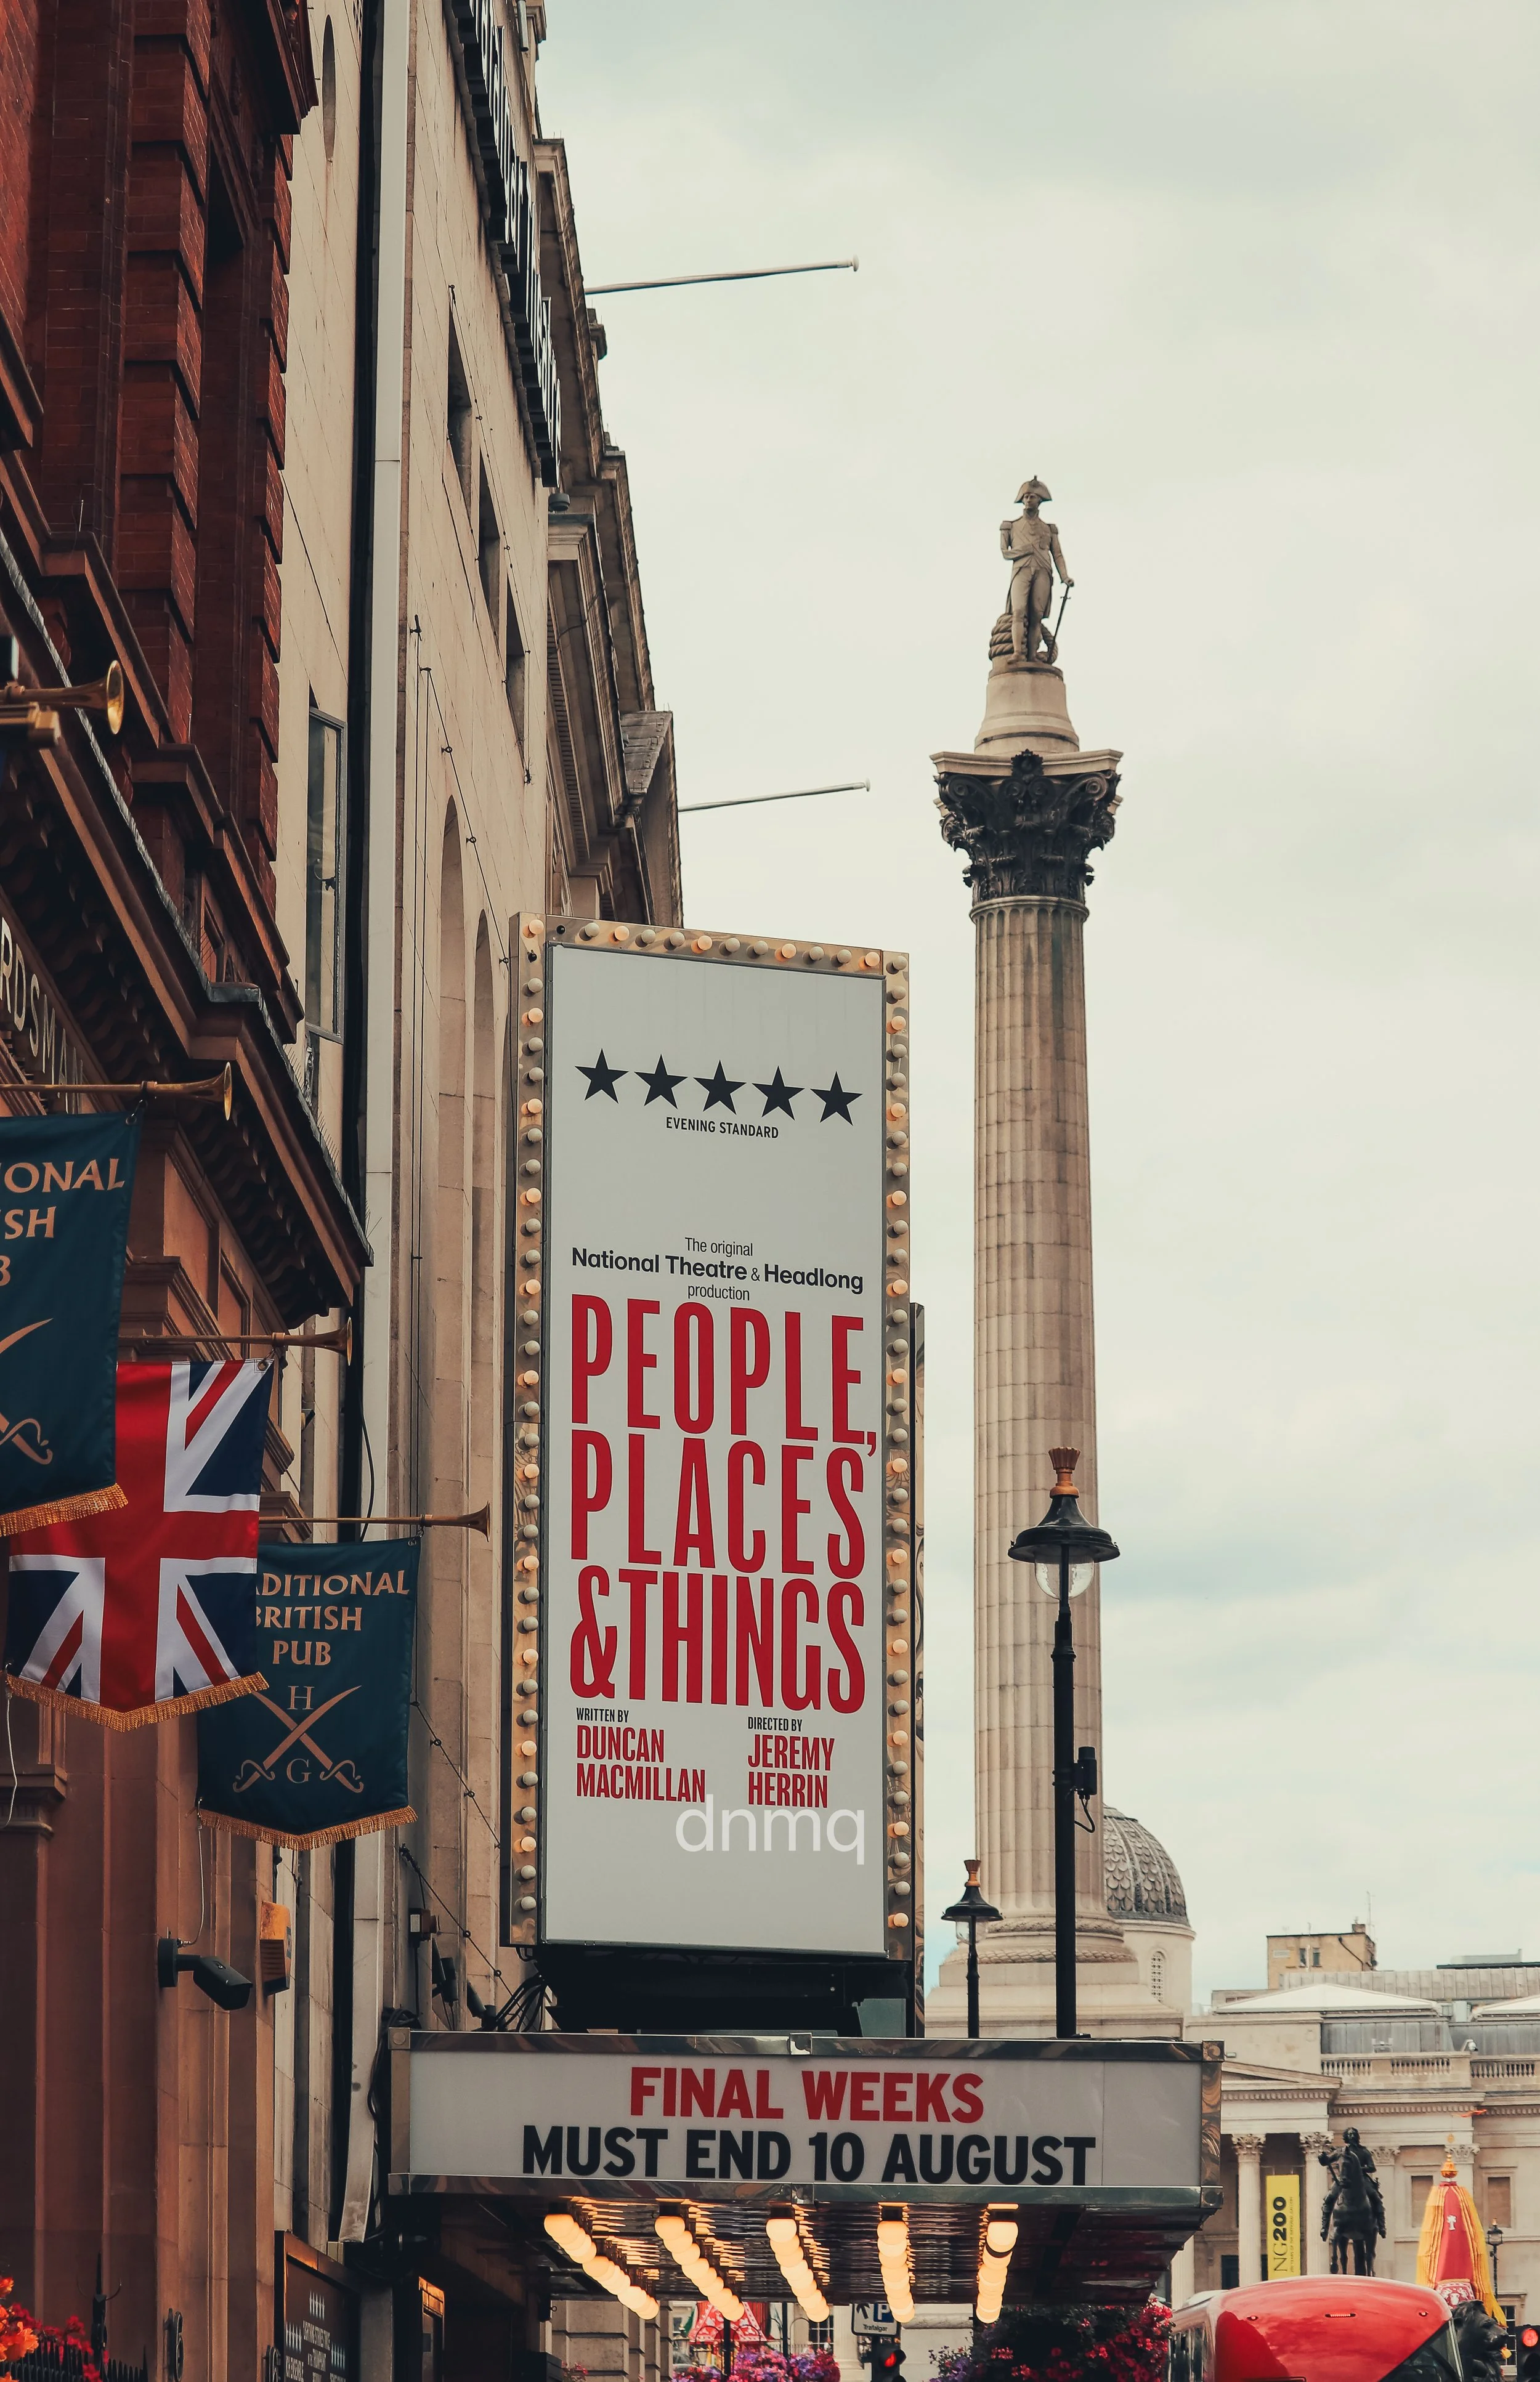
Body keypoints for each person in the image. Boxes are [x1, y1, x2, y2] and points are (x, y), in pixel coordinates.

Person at [1001, 477, 1072, 663]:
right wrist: (1025, 550)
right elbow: (1005, 553)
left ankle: (1032, 655)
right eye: (1025, 497)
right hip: (1021, 570)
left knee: (1036, 615)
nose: (1028, 500)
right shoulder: (1011, 526)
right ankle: (1018, 652)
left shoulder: (1049, 529)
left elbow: (1057, 554)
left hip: (1043, 571)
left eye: (1032, 497)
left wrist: (1065, 576)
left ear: (1039, 500)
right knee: (1018, 611)